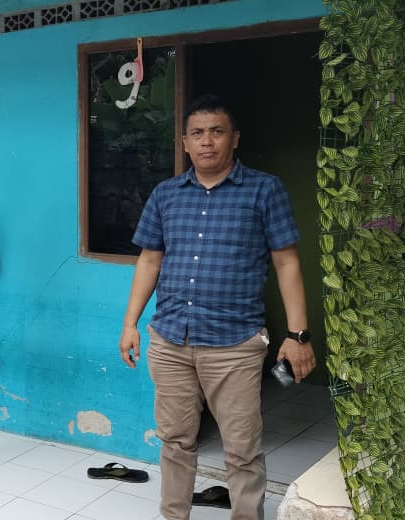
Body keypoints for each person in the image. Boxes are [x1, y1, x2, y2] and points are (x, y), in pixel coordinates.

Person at [119, 94, 316, 520]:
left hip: (235, 344)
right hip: (171, 340)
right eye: (197, 133)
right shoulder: (166, 194)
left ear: (235, 138)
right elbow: (149, 260)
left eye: (216, 131)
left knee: (242, 449)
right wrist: (130, 323)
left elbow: (286, 263)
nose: (206, 141)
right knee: (175, 441)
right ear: (185, 143)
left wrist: (297, 335)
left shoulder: (264, 190)